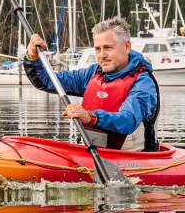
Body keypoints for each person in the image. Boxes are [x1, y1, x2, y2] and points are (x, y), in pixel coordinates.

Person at [23, 16, 160, 151]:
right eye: (98, 49)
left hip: (134, 159)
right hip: (90, 153)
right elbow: (47, 81)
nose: (102, 55)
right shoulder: (92, 73)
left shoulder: (143, 83)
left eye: (108, 47)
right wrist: (33, 58)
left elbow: (127, 120)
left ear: (126, 46)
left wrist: (90, 117)